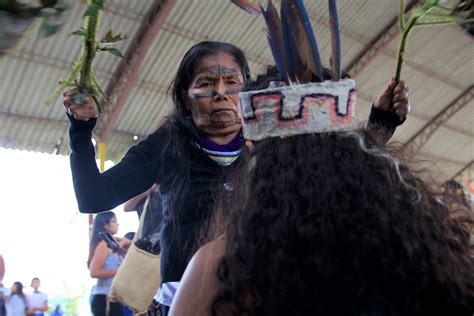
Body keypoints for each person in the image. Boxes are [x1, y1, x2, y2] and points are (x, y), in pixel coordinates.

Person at [63, 41, 409, 314]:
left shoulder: (272, 143)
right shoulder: (165, 146)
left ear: (247, 94)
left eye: (231, 82)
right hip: (183, 303)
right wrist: (81, 132)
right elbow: (93, 198)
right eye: (205, 83)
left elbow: (336, 174)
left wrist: (382, 123)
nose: (220, 93)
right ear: (185, 97)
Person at [169, 70, 474, 316]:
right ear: (352, 151)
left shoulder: (219, 267)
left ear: (251, 151)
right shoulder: (410, 246)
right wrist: (378, 128)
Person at [88, 211, 126, 316]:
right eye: (114, 221)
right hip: (105, 298)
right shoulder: (104, 244)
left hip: (114, 297)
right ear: (105, 225)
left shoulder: (114, 243)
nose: (117, 224)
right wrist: (122, 271)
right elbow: (94, 272)